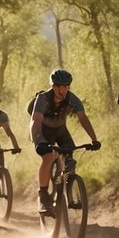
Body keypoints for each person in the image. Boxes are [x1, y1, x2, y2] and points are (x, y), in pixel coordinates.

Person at [29, 69, 100, 214]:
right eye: (58, 86)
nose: (62, 90)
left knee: (70, 159)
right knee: (48, 157)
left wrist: (94, 139)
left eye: (66, 86)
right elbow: (35, 121)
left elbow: (83, 118)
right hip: (43, 131)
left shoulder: (72, 98)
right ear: (53, 86)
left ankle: (68, 194)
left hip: (61, 131)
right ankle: (42, 195)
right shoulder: (43, 98)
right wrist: (38, 140)